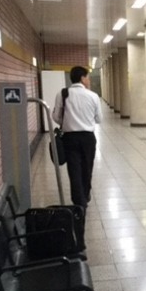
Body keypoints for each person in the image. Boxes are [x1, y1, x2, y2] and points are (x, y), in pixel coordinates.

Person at [52, 66, 102, 216]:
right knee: (87, 167)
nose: (88, 79)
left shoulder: (62, 94)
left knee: (74, 169)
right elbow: (99, 119)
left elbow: (56, 117)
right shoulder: (93, 96)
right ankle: (85, 195)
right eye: (87, 76)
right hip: (87, 138)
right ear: (82, 78)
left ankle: (78, 201)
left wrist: (69, 120)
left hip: (70, 138)